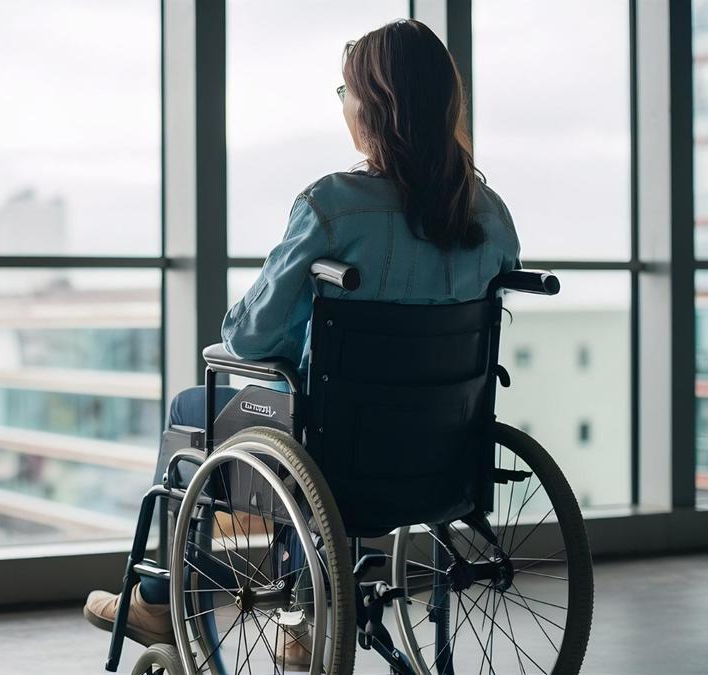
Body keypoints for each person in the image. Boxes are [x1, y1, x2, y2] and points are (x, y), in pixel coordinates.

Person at [83, 17, 521, 661]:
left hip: (338, 452)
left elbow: (253, 337)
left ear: (372, 107)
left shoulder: (333, 206)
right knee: (310, 420)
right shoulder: (489, 213)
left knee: (198, 410)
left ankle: (163, 595)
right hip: (443, 450)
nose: (343, 106)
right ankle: (306, 609)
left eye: (345, 92)